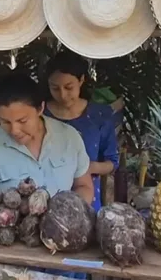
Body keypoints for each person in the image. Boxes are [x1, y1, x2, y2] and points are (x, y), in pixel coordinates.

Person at [0, 71, 94, 205]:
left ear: (40, 108)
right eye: (5, 122)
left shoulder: (70, 137)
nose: (14, 131)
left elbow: (83, 186)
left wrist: (69, 212)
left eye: (22, 121)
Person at [44, 51, 122, 211]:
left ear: (81, 80)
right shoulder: (40, 114)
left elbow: (112, 162)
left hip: (88, 202)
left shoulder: (100, 115)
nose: (63, 95)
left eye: (68, 87)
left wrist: (87, 167)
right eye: (55, 88)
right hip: (45, 200)